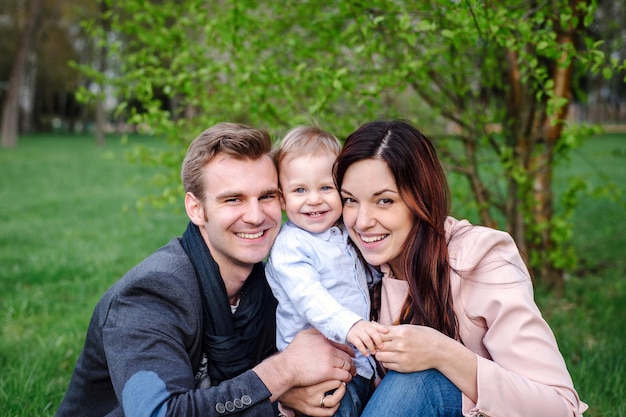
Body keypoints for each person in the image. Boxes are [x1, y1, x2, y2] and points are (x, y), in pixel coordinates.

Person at [56, 122, 355, 417]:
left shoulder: (268, 286)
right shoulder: (149, 295)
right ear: (196, 209)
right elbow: (161, 413)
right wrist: (283, 372)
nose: (255, 216)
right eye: (233, 199)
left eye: (266, 196)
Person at [333, 119, 588, 417]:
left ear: (422, 199)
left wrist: (443, 354)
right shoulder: (346, 262)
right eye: (350, 200)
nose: (362, 221)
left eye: (385, 201)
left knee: (419, 379)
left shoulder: (479, 262)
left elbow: (560, 407)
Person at [265, 126, 386, 417]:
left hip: (357, 364)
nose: (314, 199)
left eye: (325, 188)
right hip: (319, 374)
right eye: (300, 190)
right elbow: (311, 299)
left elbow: (361, 279)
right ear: (282, 199)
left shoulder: (341, 234)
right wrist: (351, 326)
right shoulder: (291, 246)